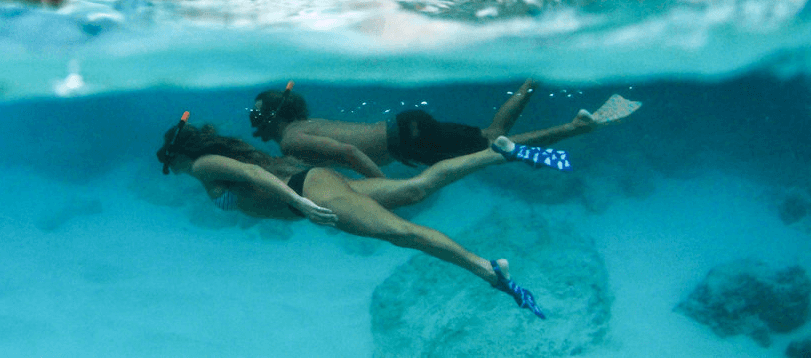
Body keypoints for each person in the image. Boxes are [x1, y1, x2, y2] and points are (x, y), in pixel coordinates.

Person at [157, 112, 548, 318]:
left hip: (307, 193)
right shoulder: (214, 160)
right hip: (314, 182)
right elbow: (264, 171)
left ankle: (487, 269)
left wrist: (304, 204)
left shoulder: (203, 166)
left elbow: (258, 175)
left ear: (177, 155)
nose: (170, 170)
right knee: (416, 188)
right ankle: (498, 152)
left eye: (167, 163)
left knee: (400, 232)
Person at [250, 80, 640, 178]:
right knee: (491, 136)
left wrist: (383, 188)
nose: (254, 121)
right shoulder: (305, 124)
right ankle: (533, 80)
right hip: (408, 127)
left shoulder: (291, 140)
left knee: (495, 148)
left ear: (272, 116)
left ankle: (577, 127)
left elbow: (351, 154)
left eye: (257, 114)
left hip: (408, 140)